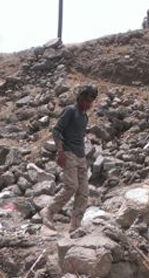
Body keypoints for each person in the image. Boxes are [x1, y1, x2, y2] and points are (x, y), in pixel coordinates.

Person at [41, 85, 98, 232]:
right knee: (71, 186)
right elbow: (56, 130)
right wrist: (60, 151)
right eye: (86, 100)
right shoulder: (70, 111)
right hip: (69, 153)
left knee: (84, 192)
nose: (88, 104)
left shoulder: (85, 116)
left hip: (81, 156)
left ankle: (75, 226)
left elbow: (79, 135)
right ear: (80, 98)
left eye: (91, 101)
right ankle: (48, 211)